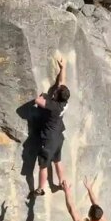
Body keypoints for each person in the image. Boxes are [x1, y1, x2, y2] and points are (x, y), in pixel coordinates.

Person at [32, 57, 70, 197]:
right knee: (57, 160)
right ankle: (62, 182)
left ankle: (41, 188)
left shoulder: (53, 106)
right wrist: (63, 68)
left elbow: (37, 100)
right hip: (59, 136)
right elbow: (61, 83)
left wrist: (45, 96)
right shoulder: (64, 102)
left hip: (49, 139)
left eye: (55, 92)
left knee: (43, 165)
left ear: (57, 96)